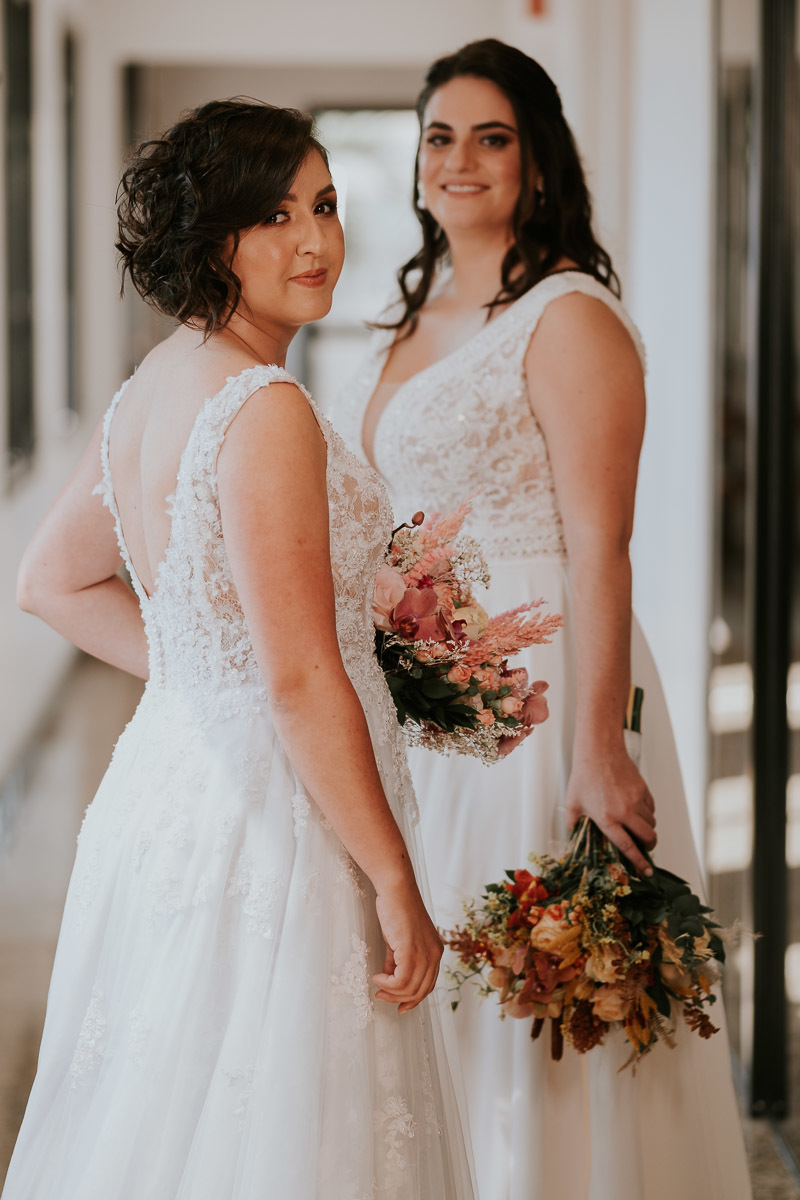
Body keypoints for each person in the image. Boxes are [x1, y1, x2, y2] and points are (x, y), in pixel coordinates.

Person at [5, 99, 475, 1200]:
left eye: (324, 206)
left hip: (168, 795)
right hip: (275, 824)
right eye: (273, 216)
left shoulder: (152, 388)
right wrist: (393, 875)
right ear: (209, 236)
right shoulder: (264, 407)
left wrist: (200, 672)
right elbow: (299, 674)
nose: (314, 242)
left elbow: (50, 582)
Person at [331, 40, 752, 1200]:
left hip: (549, 694)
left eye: (492, 136)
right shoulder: (416, 309)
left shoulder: (568, 316)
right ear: (416, 162)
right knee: (447, 975)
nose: (459, 160)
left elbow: (599, 543)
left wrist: (600, 747)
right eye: (439, 136)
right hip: (440, 695)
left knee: (539, 987)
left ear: (535, 161)